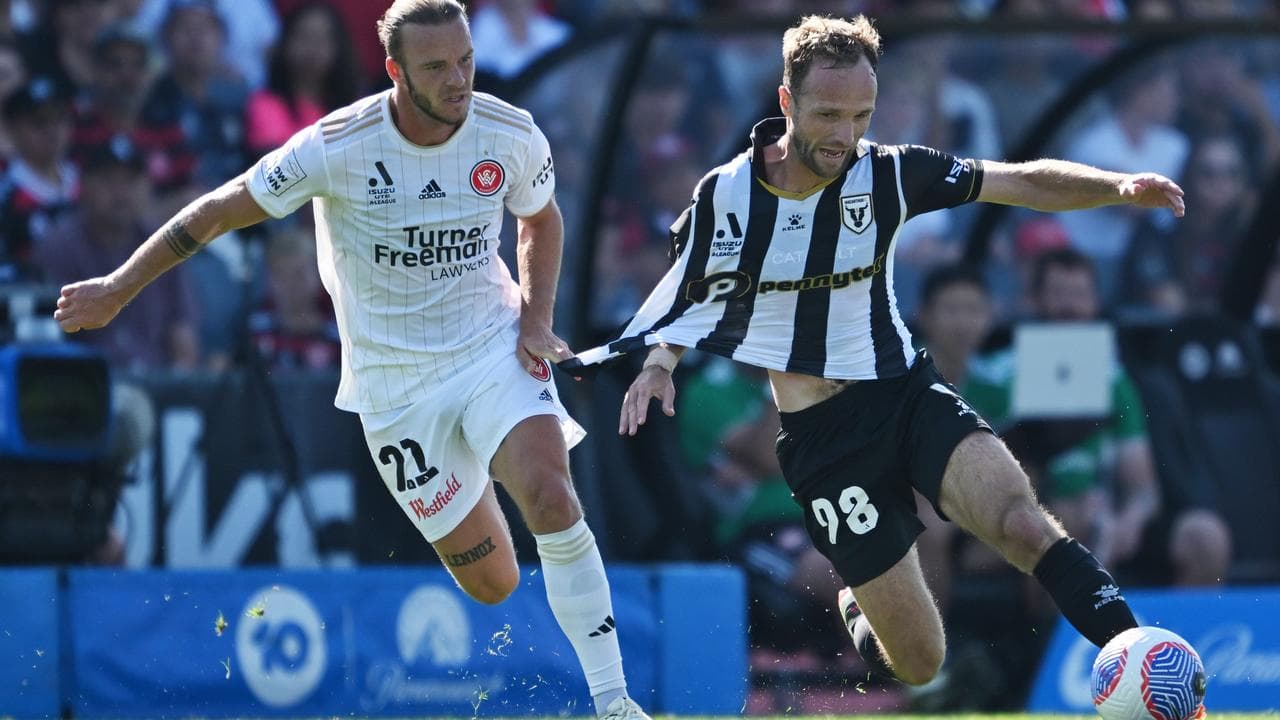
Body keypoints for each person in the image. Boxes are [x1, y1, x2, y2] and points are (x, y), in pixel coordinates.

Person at [51, 3, 650, 719]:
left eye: (465, 59)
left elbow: (541, 216)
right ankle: (480, 483)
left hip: (491, 345)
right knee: (491, 582)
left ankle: (615, 705)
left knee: (552, 496)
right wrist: (118, 288)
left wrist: (536, 316)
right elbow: (216, 209)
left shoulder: (508, 131)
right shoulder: (338, 145)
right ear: (396, 71)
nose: (459, 79)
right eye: (436, 67)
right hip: (394, 389)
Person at [579, 14, 1189, 693]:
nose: (845, 134)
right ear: (787, 103)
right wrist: (660, 363)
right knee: (920, 661)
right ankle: (856, 601)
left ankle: (1142, 661)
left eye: (861, 115)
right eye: (828, 114)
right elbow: (691, 291)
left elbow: (1020, 180)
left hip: (904, 393)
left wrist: (1115, 186)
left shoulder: (892, 174)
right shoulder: (727, 196)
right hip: (824, 443)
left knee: (1021, 522)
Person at [964, 248, 1232, 587]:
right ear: (1033, 300)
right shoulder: (992, 376)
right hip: (1022, 520)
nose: (1069, 307)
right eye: (1058, 294)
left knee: (1205, 538)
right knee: (1066, 525)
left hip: (1106, 519)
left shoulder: (1113, 379)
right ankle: (1061, 640)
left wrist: (1128, 523)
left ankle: (1181, 641)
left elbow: (1143, 487)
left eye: (1080, 295)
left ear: (1094, 303)